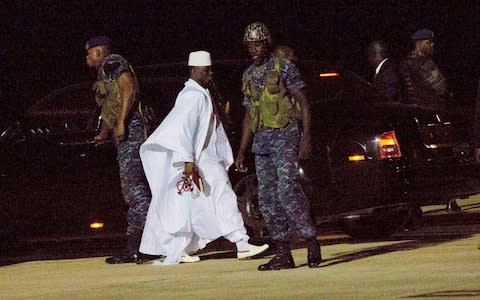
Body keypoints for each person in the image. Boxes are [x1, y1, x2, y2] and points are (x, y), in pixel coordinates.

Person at [139, 51, 269, 265]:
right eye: (205, 70)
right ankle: (242, 243)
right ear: (193, 70)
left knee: (193, 205)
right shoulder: (192, 95)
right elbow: (183, 130)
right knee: (223, 197)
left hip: (205, 157)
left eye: (210, 69)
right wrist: (188, 160)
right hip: (201, 159)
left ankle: (181, 248)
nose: (210, 73)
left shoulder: (200, 92)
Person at [235, 22, 322, 271]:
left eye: (258, 43)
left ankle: (310, 240)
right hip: (262, 142)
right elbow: (249, 114)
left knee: (288, 190)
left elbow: (303, 103)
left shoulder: (284, 67)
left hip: (285, 136)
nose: (254, 48)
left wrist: (306, 137)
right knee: (267, 198)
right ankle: (283, 252)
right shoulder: (249, 75)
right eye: (250, 44)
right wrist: (242, 150)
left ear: (267, 43)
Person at [85, 35, 153, 264]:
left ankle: (144, 245)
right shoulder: (106, 69)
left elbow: (128, 88)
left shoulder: (112, 63)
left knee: (135, 191)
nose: (86, 58)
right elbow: (109, 106)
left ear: (97, 52)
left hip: (133, 132)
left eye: (88, 53)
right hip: (126, 132)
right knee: (133, 190)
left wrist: (123, 121)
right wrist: (104, 133)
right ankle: (137, 245)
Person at [399, 28, 449, 110]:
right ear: (418, 43)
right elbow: (441, 88)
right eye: (428, 42)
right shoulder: (424, 63)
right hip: (431, 109)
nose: (432, 44)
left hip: (414, 109)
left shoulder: (405, 62)